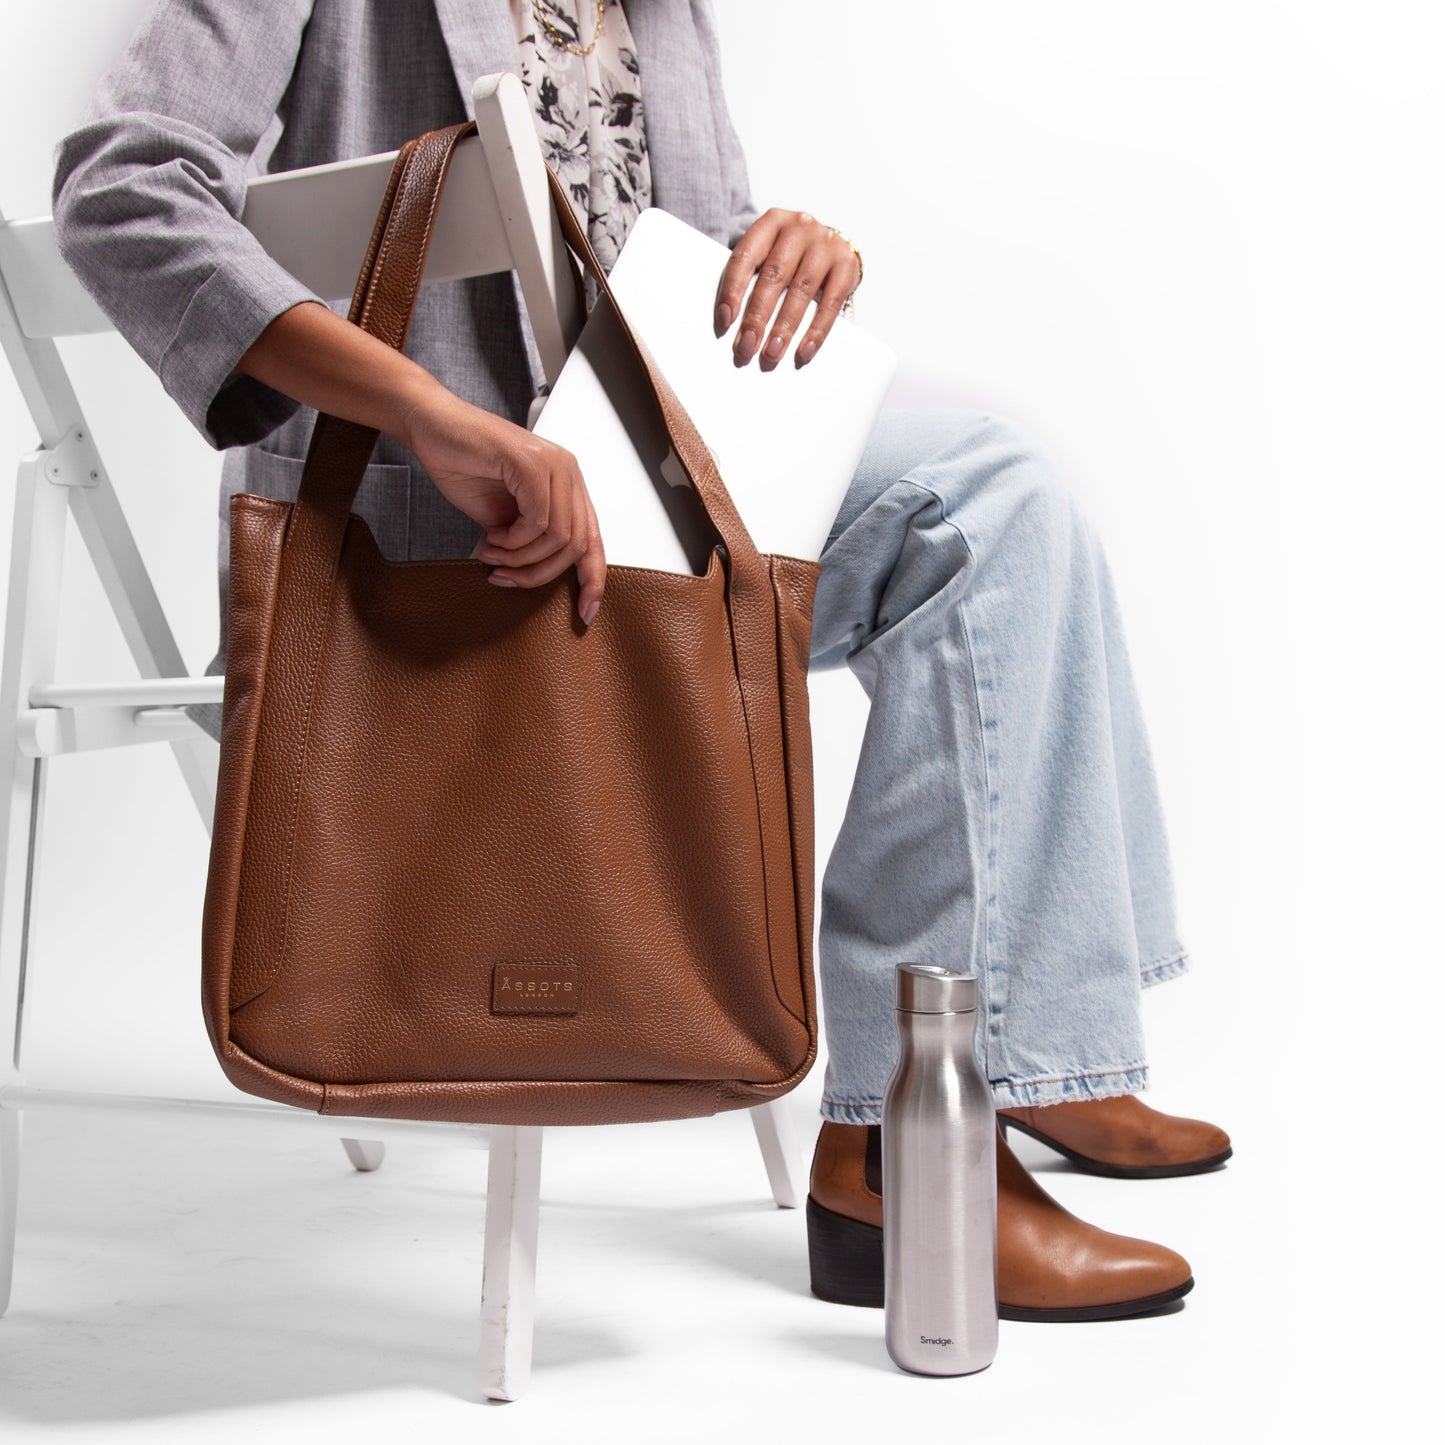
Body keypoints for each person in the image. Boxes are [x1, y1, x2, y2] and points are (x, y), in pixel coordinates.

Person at [51, 0, 1230, 1323]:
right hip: (444, 535)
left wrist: (784, 252)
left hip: (652, 494)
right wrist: (424, 411)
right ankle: (927, 1123)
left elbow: (657, 266)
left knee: (996, 498)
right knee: (984, 503)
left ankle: (1012, 1053)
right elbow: (123, 186)